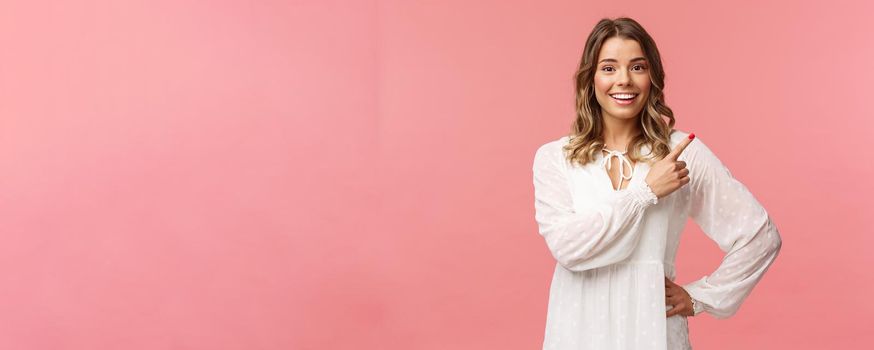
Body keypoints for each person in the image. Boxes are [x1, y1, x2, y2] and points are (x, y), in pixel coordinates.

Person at [531, 17, 783, 350]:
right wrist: (645, 192)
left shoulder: (679, 153)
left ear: (652, 77)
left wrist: (700, 297)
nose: (624, 80)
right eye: (609, 68)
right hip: (577, 329)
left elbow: (759, 236)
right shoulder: (556, 158)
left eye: (637, 67)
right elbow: (569, 250)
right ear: (590, 79)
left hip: (653, 330)